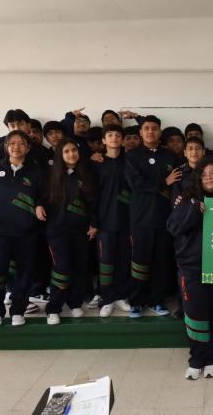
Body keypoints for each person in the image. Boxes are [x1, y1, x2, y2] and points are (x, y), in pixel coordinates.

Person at [166, 157, 213, 380]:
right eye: (204, 174)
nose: (208, 177)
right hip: (192, 268)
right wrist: (194, 211)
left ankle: (212, 359)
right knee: (195, 315)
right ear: (198, 178)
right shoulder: (188, 199)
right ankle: (196, 360)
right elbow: (173, 227)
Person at [0, 130, 45, 327]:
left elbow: (44, 195)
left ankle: (18, 312)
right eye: (12, 143)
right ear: (6, 147)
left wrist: (40, 205)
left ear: (28, 147)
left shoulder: (36, 171)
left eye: (21, 143)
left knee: (24, 273)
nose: (16, 147)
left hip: (27, 232)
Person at [126, 115, 182, 318]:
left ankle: (157, 301)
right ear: (141, 132)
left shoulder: (170, 156)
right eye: (147, 128)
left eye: (154, 128)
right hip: (141, 218)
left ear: (160, 132)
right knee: (139, 262)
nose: (151, 131)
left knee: (161, 262)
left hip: (165, 219)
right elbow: (136, 184)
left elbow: (178, 183)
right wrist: (163, 182)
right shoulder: (132, 156)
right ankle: (136, 302)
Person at [39, 138, 98, 324]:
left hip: (81, 231)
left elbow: (93, 202)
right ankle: (53, 308)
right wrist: (38, 205)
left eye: (74, 150)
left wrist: (94, 224)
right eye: (66, 151)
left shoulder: (85, 174)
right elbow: (41, 199)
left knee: (80, 268)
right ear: (60, 154)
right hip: (57, 232)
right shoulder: (51, 175)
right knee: (61, 268)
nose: (71, 154)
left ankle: (75, 304)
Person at [91, 124, 133, 317]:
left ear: (122, 140)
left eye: (118, 135)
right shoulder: (97, 163)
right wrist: (94, 221)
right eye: (110, 135)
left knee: (124, 261)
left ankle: (121, 296)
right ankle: (107, 299)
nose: (114, 137)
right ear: (104, 140)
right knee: (106, 263)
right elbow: (92, 195)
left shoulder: (130, 161)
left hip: (127, 221)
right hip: (105, 222)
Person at [171, 136, 205, 207]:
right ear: (185, 153)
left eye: (198, 148)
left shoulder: (210, 171)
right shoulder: (179, 173)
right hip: (187, 212)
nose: (194, 152)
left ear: (203, 152)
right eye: (190, 148)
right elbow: (175, 201)